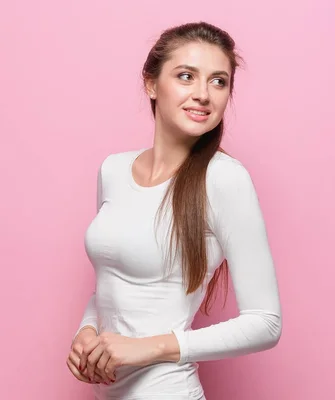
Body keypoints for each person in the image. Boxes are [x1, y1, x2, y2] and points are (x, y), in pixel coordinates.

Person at [65, 21, 282, 400]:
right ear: (151, 83)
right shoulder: (113, 170)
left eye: (218, 81)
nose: (203, 94)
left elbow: (266, 323)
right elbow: (111, 283)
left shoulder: (224, 179)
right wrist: (87, 331)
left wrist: (149, 347)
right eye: (186, 76)